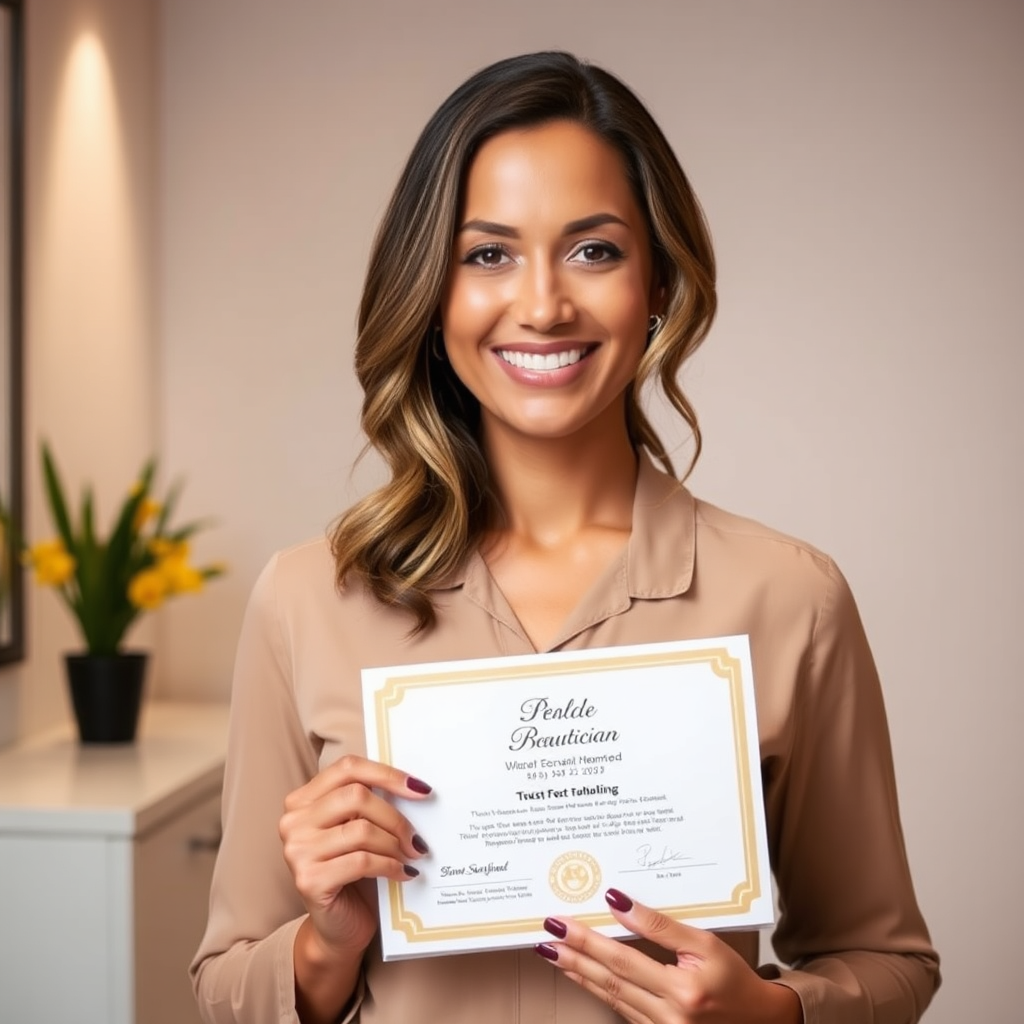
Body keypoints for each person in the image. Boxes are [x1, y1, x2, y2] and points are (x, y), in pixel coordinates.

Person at [191, 51, 940, 1024]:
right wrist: (327, 939)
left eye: (593, 250)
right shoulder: (306, 599)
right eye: (488, 253)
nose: (542, 303)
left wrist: (770, 1014)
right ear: (432, 290)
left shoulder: (790, 596)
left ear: (660, 281)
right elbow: (217, 988)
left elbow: (888, 961)